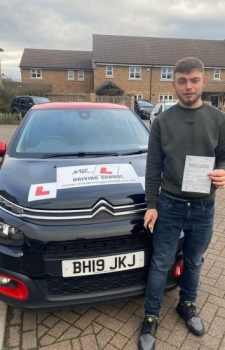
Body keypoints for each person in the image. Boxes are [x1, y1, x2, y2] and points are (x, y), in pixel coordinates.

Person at [138, 57, 225, 350]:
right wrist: (152, 204)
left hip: (203, 206)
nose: (189, 86)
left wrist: (223, 171)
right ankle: (150, 317)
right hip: (169, 204)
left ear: (204, 82)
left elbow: (223, 155)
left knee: (195, 260)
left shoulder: (218, 119)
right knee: (161, 262)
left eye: (195, 80)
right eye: (182, 81)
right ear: (174, 83)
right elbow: (153, 168)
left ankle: (186, 304)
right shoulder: (162, 122)